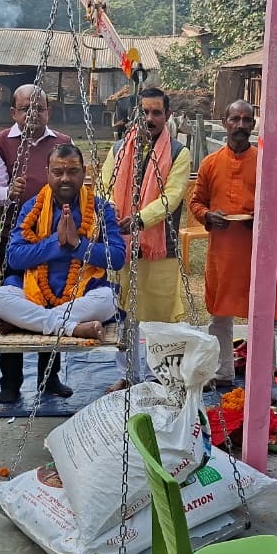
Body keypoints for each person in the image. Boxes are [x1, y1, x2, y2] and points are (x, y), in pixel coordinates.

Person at [0, 144, 126, 402]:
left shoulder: (100, 208)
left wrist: (78, 245)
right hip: (33, 290)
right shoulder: (32, 207)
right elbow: (14, 256)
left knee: (108, 300)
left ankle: (29, 324)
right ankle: (70, 329)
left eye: (72, 171)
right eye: (58, 172)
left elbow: (116, 258)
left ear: (84, 172)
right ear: (47, 172)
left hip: (82, 292)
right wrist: (56, 244)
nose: (65, 178)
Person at [189, 100, 277, 389]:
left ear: (253, 125)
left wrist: (260, 218)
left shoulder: (264, 162)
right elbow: (196, 202)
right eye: (235, 119)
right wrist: (208, 216)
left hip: (257, 255)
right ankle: (222, 371)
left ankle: (263, 373)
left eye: (247, 120)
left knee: (261, 315)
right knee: (219, 315)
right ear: (225, 122)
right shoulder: (210, 163)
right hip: (223, 254)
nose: (241, 125)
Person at [0, 84, 73, 403]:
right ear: (13, 112)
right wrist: (9, 193)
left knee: (53, 302)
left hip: (54, 239)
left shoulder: (63, 142)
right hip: (17, 239)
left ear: (49, 111)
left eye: (40, 108)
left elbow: (73, 181)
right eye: (26, 109)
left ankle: (50, 377)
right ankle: (10, 381)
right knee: (13, 305)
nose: (33, 114)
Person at [99, 86, 192, 392]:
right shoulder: (118, 149)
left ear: (168, 115)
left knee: (161, 317)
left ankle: (161, 378)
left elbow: (172, 196)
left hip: (159, 248)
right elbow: (104, 186)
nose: (149, 119)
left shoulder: (179, 153)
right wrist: (112, 212)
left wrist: (139, 220)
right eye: (144, 112)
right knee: (124, 313)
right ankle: (127, 374)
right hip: (123, 245)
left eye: (156, 113)